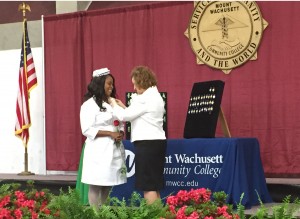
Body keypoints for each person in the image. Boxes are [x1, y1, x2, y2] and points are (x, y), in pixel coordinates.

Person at [110, 65, 167, 204]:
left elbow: (124, 117)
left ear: (142, 82)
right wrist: (123, 106)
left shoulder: (144, 99)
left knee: (148, 186)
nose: (134, 89)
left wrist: (113, 103)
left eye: (135, 84)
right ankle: (158, 215)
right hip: (156, 143)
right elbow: (140, 115)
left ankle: (152, 215)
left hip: (147, 144)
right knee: (154, 185)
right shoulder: (154, 95)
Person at [79, 67, 127, 207]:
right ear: (100, 84)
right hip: (98, 150)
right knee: (96, 184)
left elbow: (120, 121)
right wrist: (109, 133)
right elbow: (86, 129)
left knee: (107, 184)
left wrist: (120, 132)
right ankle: (95, 214)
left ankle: (104, 212)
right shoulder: (88, 105)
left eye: (112, 84)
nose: (111, 87)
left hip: (113, 149)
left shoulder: (112, 103)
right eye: (109, 84)